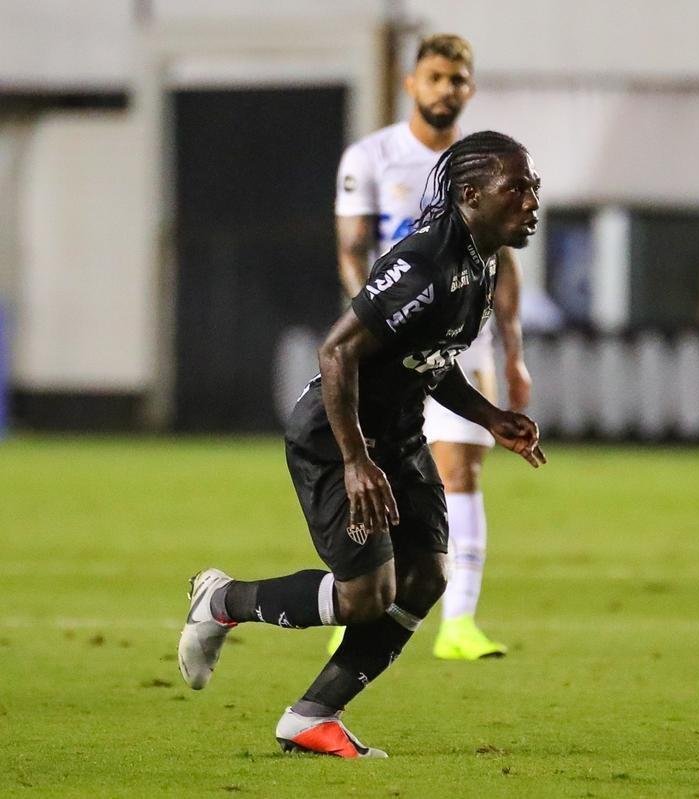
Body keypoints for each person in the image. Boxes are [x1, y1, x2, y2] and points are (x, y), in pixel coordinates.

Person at [178, 132, 546, 758]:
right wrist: (355, 461)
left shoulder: (481, 263)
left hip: (397, 438)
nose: (532, 200)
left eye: (533, 186)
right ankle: (221, 601)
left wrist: (490, 417)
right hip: (335, 438)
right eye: (518, 187)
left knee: (427, 576)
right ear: (470, 194)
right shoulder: (423, 264)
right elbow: (337, 350)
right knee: (365, 597)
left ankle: (312, 715)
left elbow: (431, 359)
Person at [332, 34, 531, 660]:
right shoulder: (371, 157)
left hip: (462, 341)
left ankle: (460, 624)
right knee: (380, 472)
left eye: (458, 80)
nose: (448, 89)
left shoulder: (487, 167)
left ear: (469, 89)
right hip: (393, 334)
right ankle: (355, 599)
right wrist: (379, 313)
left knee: (461, 469)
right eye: (437, 77)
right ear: (411, 82)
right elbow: (352, 248)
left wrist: (513, 353)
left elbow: (502, 264)